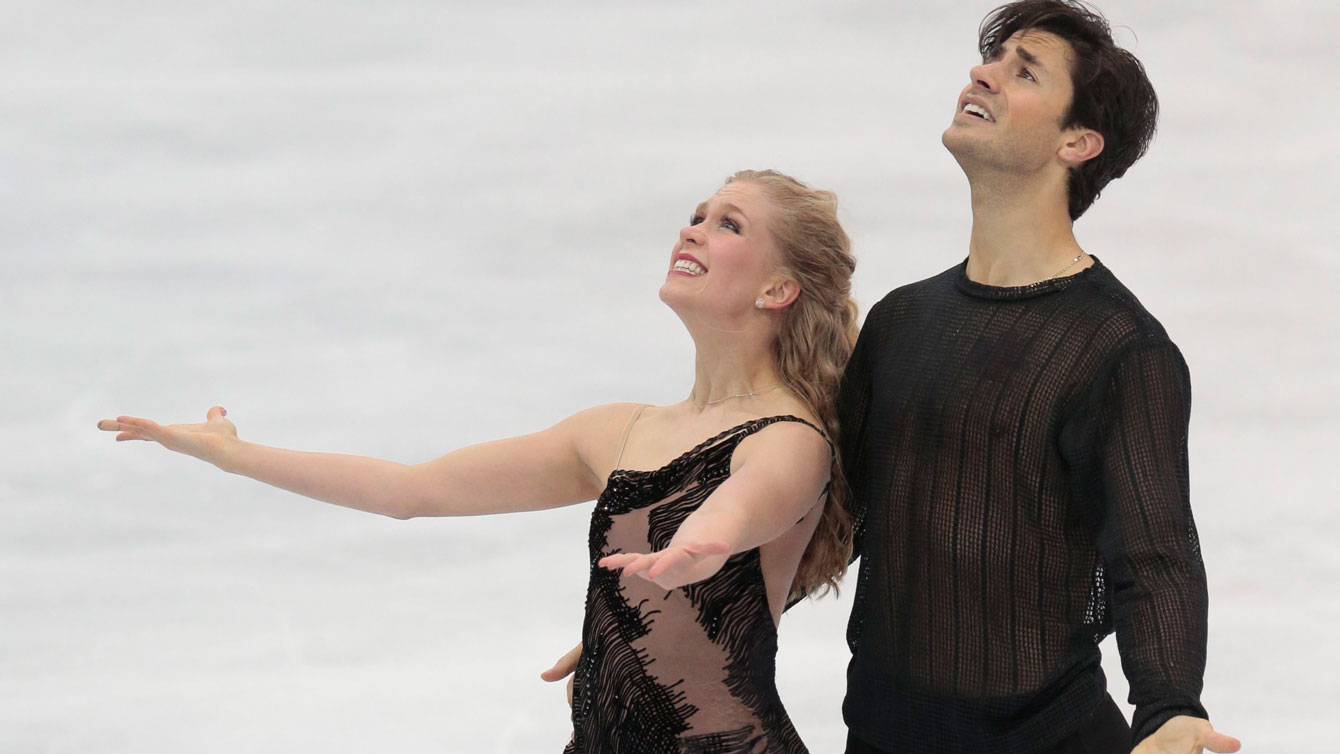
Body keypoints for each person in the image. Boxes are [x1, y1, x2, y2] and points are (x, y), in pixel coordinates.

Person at [548, 3, 1241, 753]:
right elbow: (828, 511)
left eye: (1024, 70)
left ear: (1077, 141)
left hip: (1047, 739)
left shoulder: (1117, 347)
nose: (984, 73)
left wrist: (1170, 704)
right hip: (881, 735)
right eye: (992, 59)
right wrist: (665, 635)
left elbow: (1154, 550)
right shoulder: (905, 320)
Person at [98, 169, 860, 753]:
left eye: (727, 225)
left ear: (778, 287)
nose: (692, 230)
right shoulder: (620, 432)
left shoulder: (787, 437)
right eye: (696, 214)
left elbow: (745, 506)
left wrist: (697, 550)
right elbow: (413, 490)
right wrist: (238, 457)